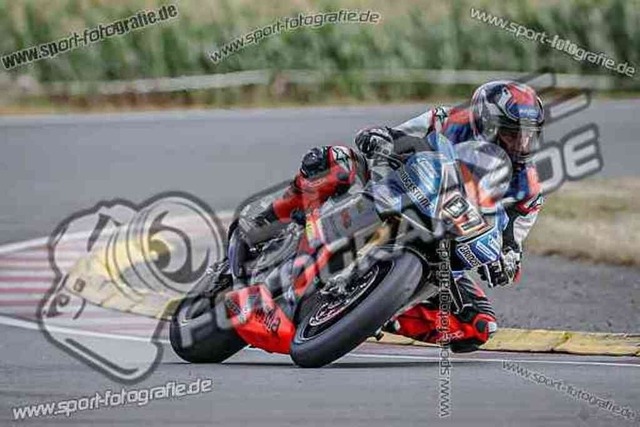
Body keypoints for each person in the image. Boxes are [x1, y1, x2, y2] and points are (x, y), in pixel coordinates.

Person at [354, 80, 545, 352]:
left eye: (528, 136)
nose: (521, 144)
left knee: (478, 327)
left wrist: (506, 261)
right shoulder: (448, 120)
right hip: (406, 199)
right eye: (512, 134)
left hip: (447, 249)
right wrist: (381, 138)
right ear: (487, 123)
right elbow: (397, 136)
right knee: (335, 161)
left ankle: (380, 315)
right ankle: (290, 219)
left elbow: (513, 242)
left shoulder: (528, 188)